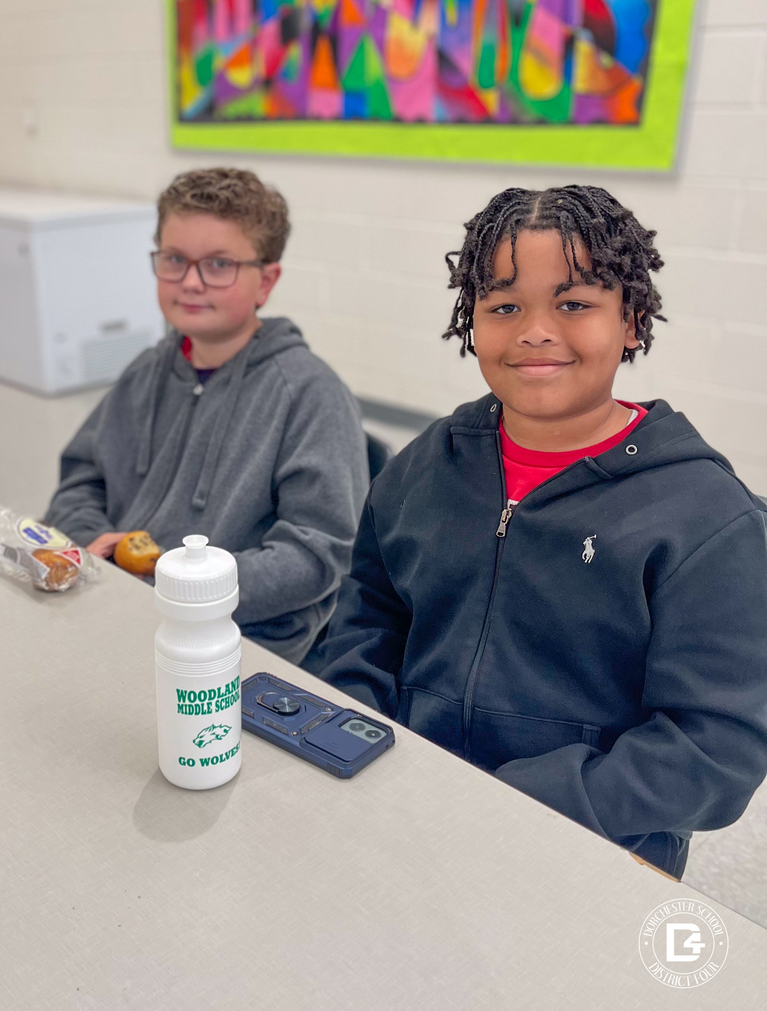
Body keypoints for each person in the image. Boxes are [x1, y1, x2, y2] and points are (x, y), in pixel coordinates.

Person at [315, 185, 767, 878]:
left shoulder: (707, 517)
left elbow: (717, 748)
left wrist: (515, 803)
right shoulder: (430, 463)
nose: (534, 330)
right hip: (404, 808)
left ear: (633, 321)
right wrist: (354, 720)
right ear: (473, 323)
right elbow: (371, 608)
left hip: (593, 847)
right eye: (503, 306)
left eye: (574, 303)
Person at [46, 168, 369, 663]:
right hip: (122, 612)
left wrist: (180, 589)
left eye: (219, 264)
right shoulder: (147, 371)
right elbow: (81, 479)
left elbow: (316, 555)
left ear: (266, 280)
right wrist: (95, 539)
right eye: (175, 259)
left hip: (240, 647)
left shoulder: (309, 395)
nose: (191, 282)